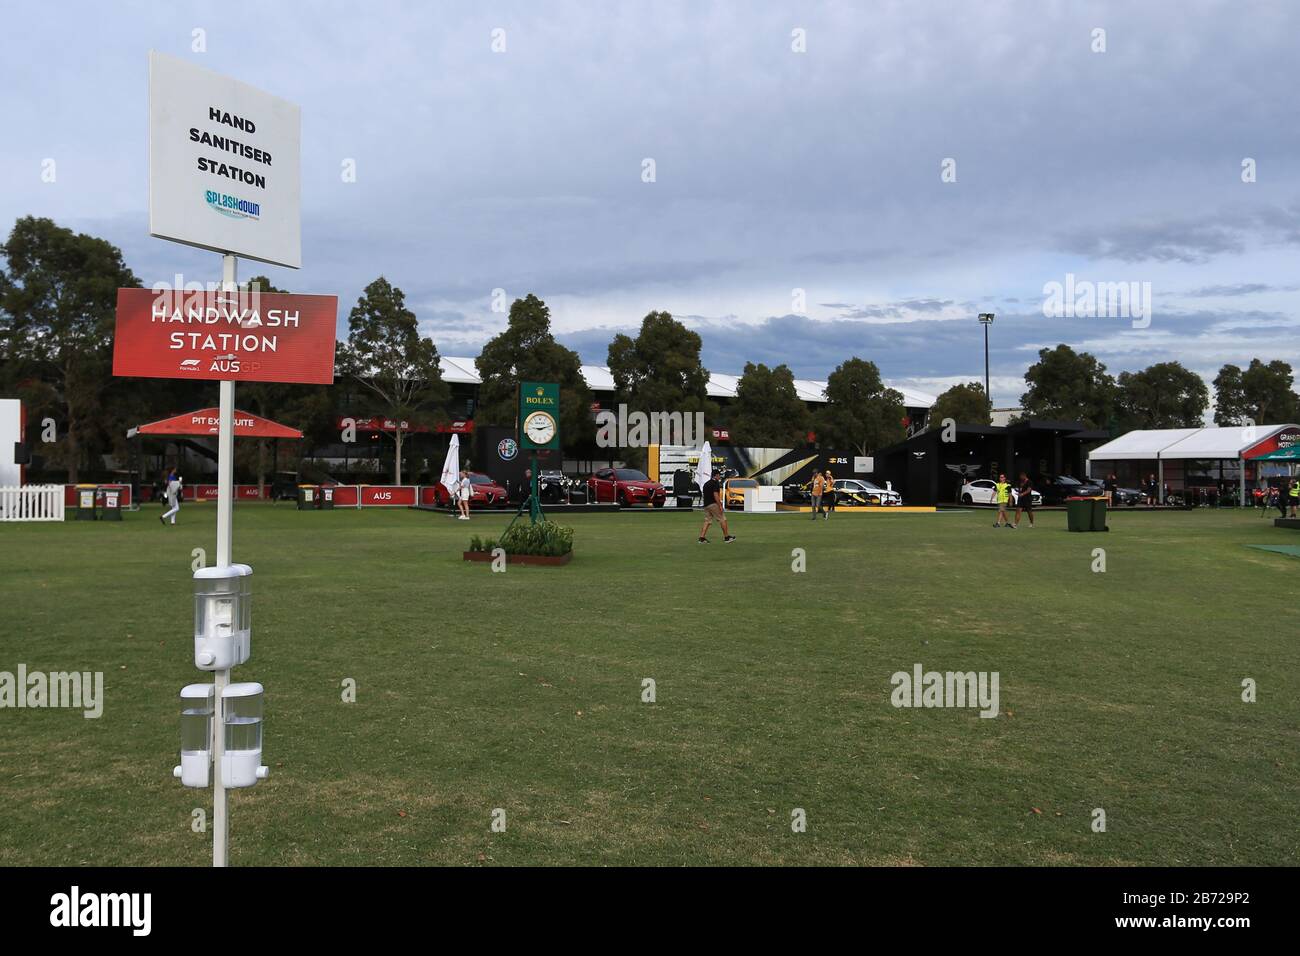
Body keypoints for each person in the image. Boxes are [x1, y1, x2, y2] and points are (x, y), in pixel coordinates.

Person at [699, 469, 735, 543]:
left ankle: (701, 538)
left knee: (707, 521)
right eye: (719, 475)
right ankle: (727, 537)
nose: (720, 477)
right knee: (722, 519)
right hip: (713, 504)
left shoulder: (706, 483)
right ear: (716, 475)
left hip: (706, 505)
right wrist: (720, 505)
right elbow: (715, 495)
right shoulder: (715, 483)